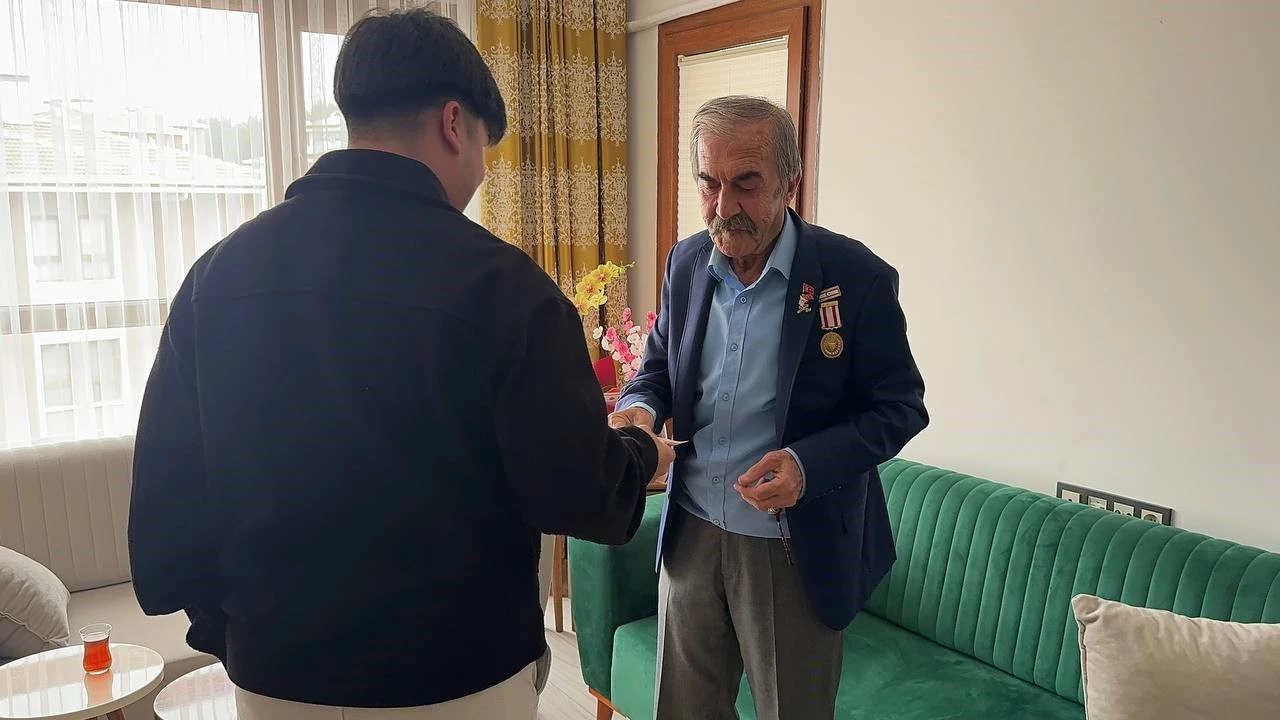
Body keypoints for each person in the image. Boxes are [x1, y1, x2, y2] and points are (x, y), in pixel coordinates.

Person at [128, 8, 673, 720]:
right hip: (461, 680)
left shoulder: (215, 278)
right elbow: (576, 494)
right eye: (484, 149)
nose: (480, 173)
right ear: (454, 123)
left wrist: (235, 636)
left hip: (275, 677)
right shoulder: (506, 288)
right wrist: (641, 452)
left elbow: (165, 519)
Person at [609, 96, 928, 720]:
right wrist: (639, 410)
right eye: (709, 183)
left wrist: (806, 467)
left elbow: (900, 406)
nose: (723, 206)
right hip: (691, 531)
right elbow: (658, 368)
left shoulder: (854, 277)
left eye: (747, 184)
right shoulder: (685, 263)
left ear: (791, 183)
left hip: (792, 547)